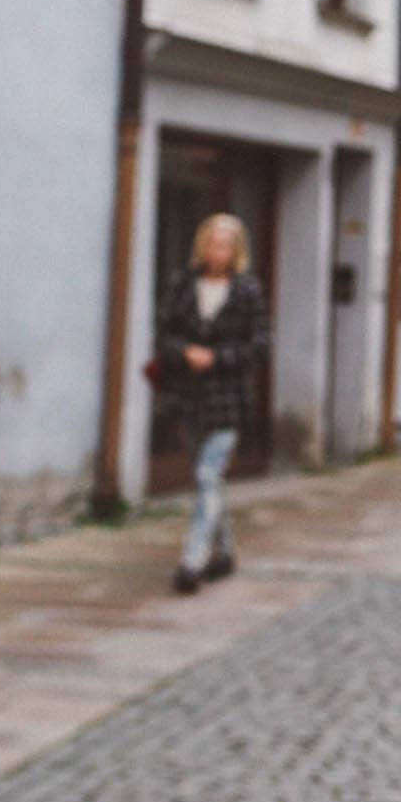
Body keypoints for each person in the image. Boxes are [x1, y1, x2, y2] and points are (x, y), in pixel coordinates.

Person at [154, 212, 268, 596]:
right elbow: (164, 333)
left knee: (207, 475)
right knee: (209, 480)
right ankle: (226, 552)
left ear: (236, 250)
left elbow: (259, 344)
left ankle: (193, 560)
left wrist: (218, 358)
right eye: (211, 243)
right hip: (188, 397)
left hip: (227, 399)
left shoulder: (247, 290)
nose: (217, 250)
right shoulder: (183, 285)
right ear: (201, 246)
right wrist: (185, 352)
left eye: (224, 245)